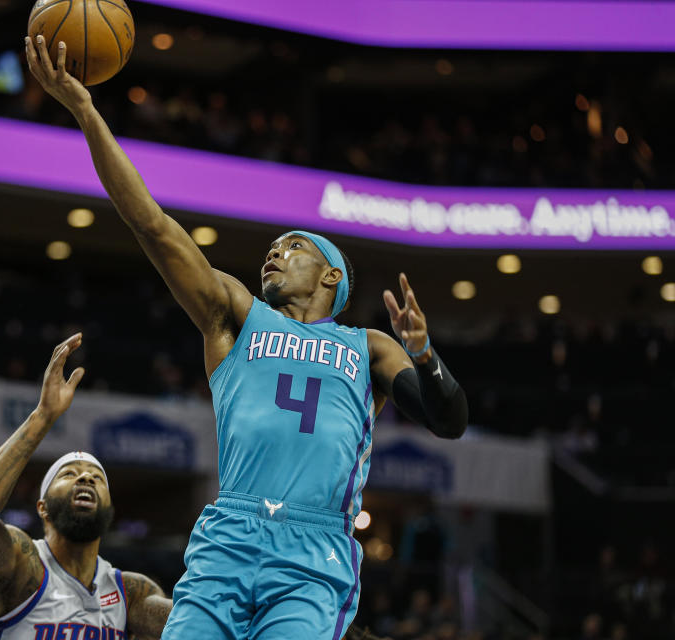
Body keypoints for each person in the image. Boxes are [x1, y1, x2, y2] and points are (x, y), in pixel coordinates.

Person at [24, 36, 469, 640]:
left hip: (314, 553)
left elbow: (449, 419)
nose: (274, 253)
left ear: (332, 275)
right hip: (229, 536)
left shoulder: (368, 346)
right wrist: (84, 111)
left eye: (293, 247)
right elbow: (150, 222)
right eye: (271, 247)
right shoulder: (236, 315)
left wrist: (424, 354)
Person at [0, 333, 173, 640]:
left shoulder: (132, 593)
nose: (85, 478)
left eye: (96, 478)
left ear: (109, 507)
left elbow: (191, 627)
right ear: (42, 507)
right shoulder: (22, 565)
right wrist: (43, 417)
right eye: (69, 474)